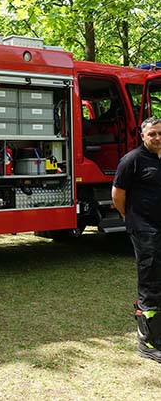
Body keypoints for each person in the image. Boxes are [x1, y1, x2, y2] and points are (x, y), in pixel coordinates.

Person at [112, 116, 161, 362]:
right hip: (144, 229)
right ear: (142, 136)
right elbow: (117, 194)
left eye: (160, 133)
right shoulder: (132, 160)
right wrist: (130, 217)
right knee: (150, 281)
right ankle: (147, 341)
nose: (157, 138)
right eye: (152, 134)